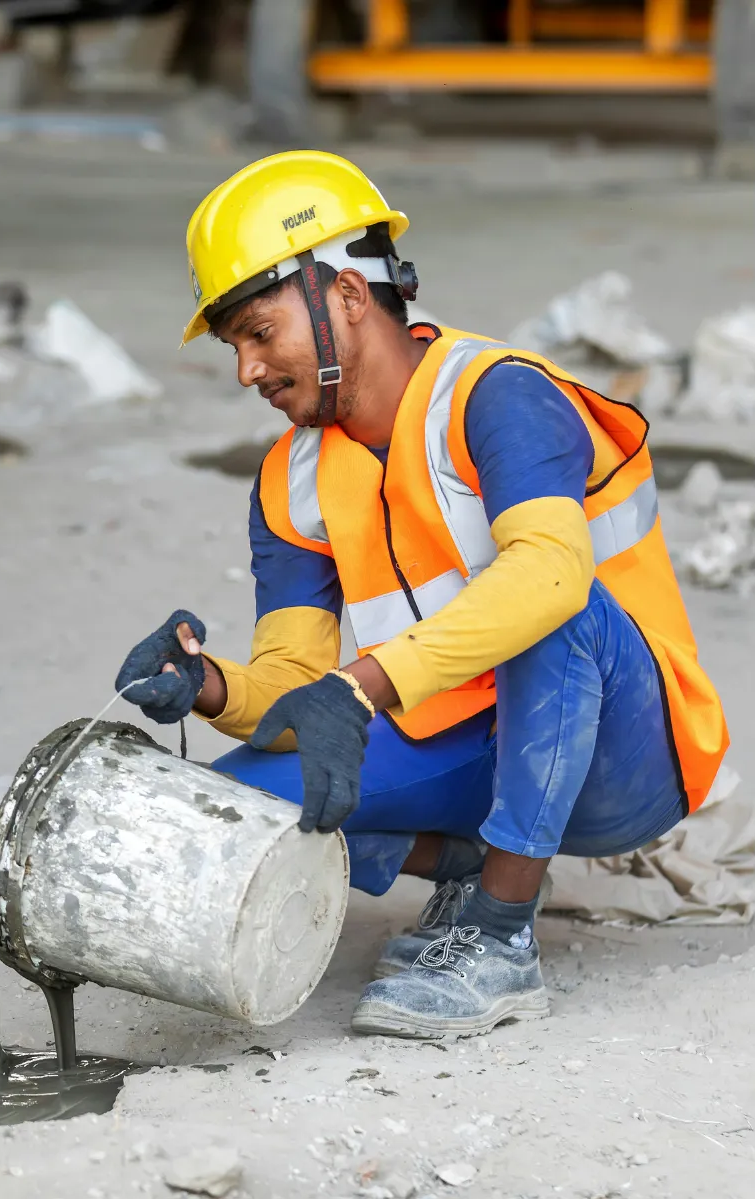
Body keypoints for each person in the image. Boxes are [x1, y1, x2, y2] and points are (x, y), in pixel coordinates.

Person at [115, 151, 728, 1039]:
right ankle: (475, 861)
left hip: (628, 752)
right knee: (237, 805)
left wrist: (357, 688)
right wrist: (207, 686)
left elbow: (553, 578)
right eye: (234, 347)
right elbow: (295, 687)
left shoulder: (498, 396)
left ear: (346, 297)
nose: (247, 369)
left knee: (552, 602)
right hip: (467, 736)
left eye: (258, 332)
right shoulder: (291, 476)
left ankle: (498, 935)